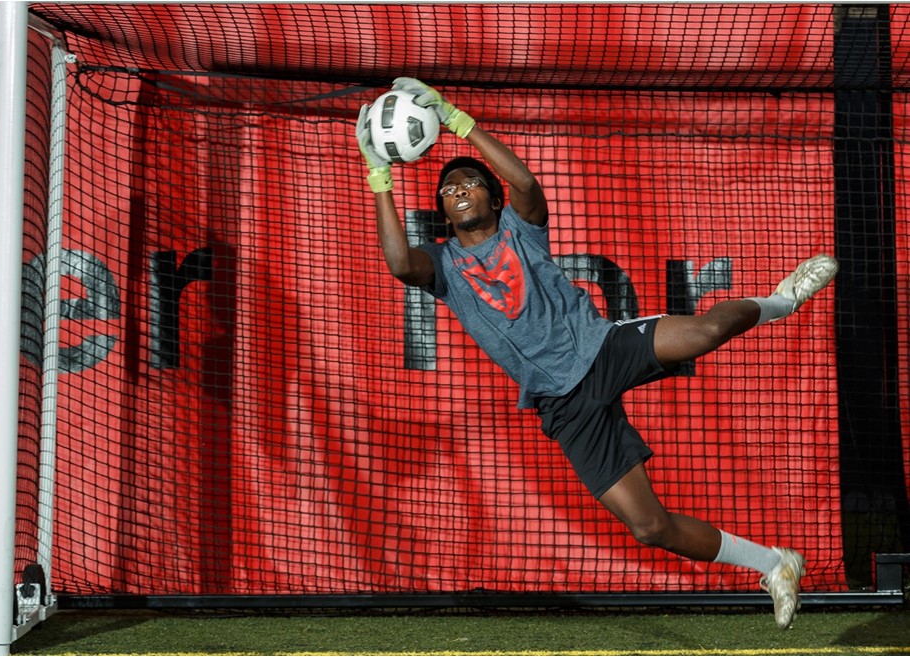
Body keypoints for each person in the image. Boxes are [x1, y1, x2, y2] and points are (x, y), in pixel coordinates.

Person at [354, 77, 840, 629]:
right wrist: (378, 172)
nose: (458, 189)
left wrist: (453, 117)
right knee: (649, 528)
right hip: (563, 403)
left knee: (706, 332)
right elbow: (399, 263)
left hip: (601, 346)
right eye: (448, 188)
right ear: (443, 211)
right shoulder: (443, 265)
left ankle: (782, 300)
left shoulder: (520, 229)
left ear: (493, 197)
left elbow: (526, 181)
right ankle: (774, 564)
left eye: (470, 181)